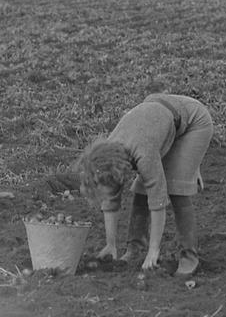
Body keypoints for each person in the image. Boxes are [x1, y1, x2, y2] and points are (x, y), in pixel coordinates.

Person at [74, 94, 213, 277]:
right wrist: (110, 244)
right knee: (140, 191)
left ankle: (189, 257)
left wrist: (154, 249)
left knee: (177, 190)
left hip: (193, 120)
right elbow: (110, 199)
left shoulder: (143, 154)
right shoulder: (108, 153)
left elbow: (159, 201)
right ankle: (135, 250)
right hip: (158, 119)